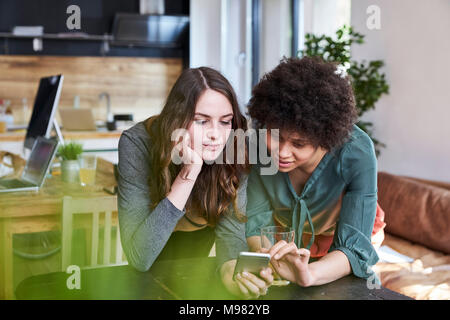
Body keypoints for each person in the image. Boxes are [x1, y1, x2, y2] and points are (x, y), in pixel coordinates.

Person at [117, 66, 273, 299]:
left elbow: (231, 232)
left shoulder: (236, 146)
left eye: (225, 122)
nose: (216, 135)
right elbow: (140, 258)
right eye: (202, 121)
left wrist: (231, 272)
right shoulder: (137, 143)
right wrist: (188, 174)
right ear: (177, 120)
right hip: (143, 276)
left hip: (192, 274)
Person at [244, 56, 386, 287]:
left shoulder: (357, 152)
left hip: (345, 233)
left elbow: (354, 247)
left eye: (298, 144)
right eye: (276, 137)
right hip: (287, 236)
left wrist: (309, 275)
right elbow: (257, 220)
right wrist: (270, 262)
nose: (282, 152)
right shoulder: (259, 146)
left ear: (327, 139)